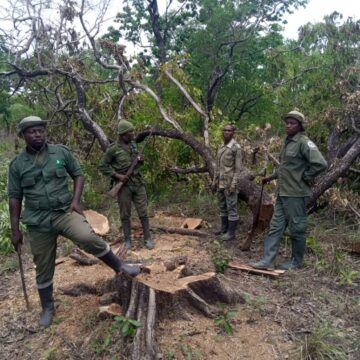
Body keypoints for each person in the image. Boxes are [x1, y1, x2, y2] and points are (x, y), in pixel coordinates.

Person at [8, 116, 140, 327]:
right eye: (32, 131)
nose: (38, 134)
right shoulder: (17, 165)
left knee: (87, 237)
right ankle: (48, 307)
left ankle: (121, 266)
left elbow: (78, 174)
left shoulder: (60, 152)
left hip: (64, 211)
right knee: (42, 265)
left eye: (40, 130)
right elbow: (14, 197)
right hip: (38, 220)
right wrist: (15, 230)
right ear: (23, 135)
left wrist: (76, 201)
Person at [250, 110, 327, 270]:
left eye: (292, 123)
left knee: (297, 228)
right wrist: (270, 177)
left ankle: (296, 262)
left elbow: (321, 163)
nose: (288, 125)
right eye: (287, 122)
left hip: (296, 194)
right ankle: (267, 260)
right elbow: (285, 168)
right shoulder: (288, 142)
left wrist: (306, 176)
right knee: (275, 226)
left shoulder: (304, 142)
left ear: (300, 126)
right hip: (283, 193)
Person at [99, 120, 153, 250]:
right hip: (123, 186)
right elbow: (102, 166)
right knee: (125, 214)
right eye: (130, 132)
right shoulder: (113, 150)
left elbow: (137, 164)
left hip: (138, 183)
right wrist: (117, 176)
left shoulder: (134, 145)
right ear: (123, 135)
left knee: (143, 212)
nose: (133, 134)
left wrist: (140, 160)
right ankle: (128, 241)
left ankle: (147, 239)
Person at [211, 124, 242, 241]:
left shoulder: (236, 148)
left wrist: (234, 184)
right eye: (224, 130)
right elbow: (217, 167)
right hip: (220, 183)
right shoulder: (221, 147)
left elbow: (238, 169)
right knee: (222, 206)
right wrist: (214, 182)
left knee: (231, 208)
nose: (226, 132)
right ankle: (223, 229)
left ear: (233, 132)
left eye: (229, 131)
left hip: (229, 183)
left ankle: (231, 233)